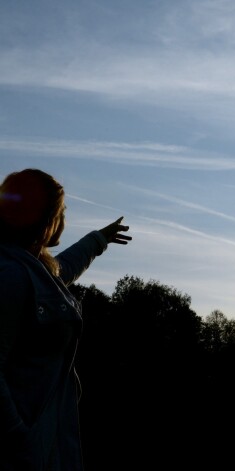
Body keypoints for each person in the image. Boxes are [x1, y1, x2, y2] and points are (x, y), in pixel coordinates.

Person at [0, 169, 131, 470]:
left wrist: (98, 240)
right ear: (46, 218)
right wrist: (19, 438)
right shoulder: (11, 276)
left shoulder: (29, 265)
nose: (63, 218)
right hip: (24, 451)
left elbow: (59, 272)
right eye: (62, 211)